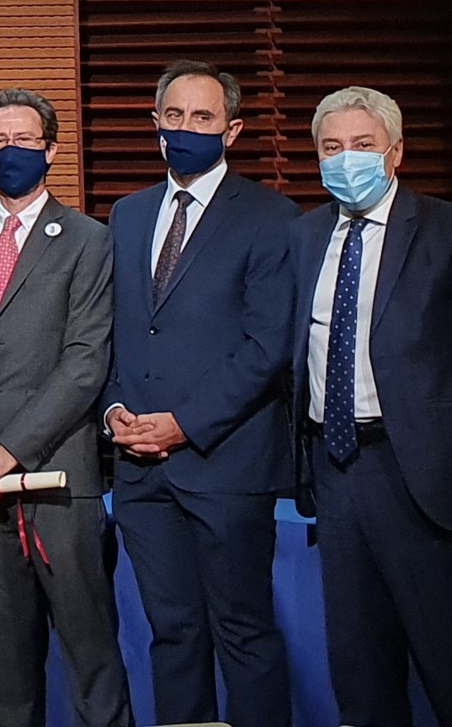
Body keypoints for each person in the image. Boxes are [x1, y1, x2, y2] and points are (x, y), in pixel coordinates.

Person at [293, 87, 452, 726]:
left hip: (421, 475)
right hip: (335, 469)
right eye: (332, 147)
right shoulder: (306, 235)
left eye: (362, 145)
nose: (346, 158)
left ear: (395, 152)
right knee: (360, 669)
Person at [0, 89, 128, 727]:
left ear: (52, 149)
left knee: (92, 664)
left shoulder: (89, 239)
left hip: (58, 481)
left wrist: (10, 451)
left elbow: (85, 361)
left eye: (23, 140)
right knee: (3, 677)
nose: (10, 152)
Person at [104, 61, 299, 727]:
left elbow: (267, 347)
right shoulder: (127, 215)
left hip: (227, 465)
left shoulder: (271, 217)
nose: (186, 128)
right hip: (139, 472)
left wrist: (184, 423)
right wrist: (114, 410)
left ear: (232, 130)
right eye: (175, 116)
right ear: (155, 123)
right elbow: (114, 331)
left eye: (203, 117)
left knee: (243, 633)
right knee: (174, 635)